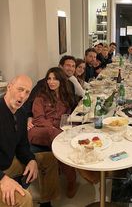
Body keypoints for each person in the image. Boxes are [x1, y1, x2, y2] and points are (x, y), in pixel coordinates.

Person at [0, 75, 59, 207]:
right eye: (19, 89)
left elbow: (23, 146)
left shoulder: (20, 113)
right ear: (9, 87)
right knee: (24, 198)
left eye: (27, 92)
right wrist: (2, 179)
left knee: (49, 159)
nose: (22, 96)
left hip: (7, 163)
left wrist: (30, 160)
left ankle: (46, 202)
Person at [27, 68, 77, 198]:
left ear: (61, 80)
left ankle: (72, 174)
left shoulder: (66, 96)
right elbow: (38, 119)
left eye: (55, 78)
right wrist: (56, 130)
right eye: (49, 78)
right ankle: (72, 179)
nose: (51, 82)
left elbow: (68, 116)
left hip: (57, 131)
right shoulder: (40, 97)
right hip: (39, 130)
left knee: (68, 136)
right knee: (56, 136)